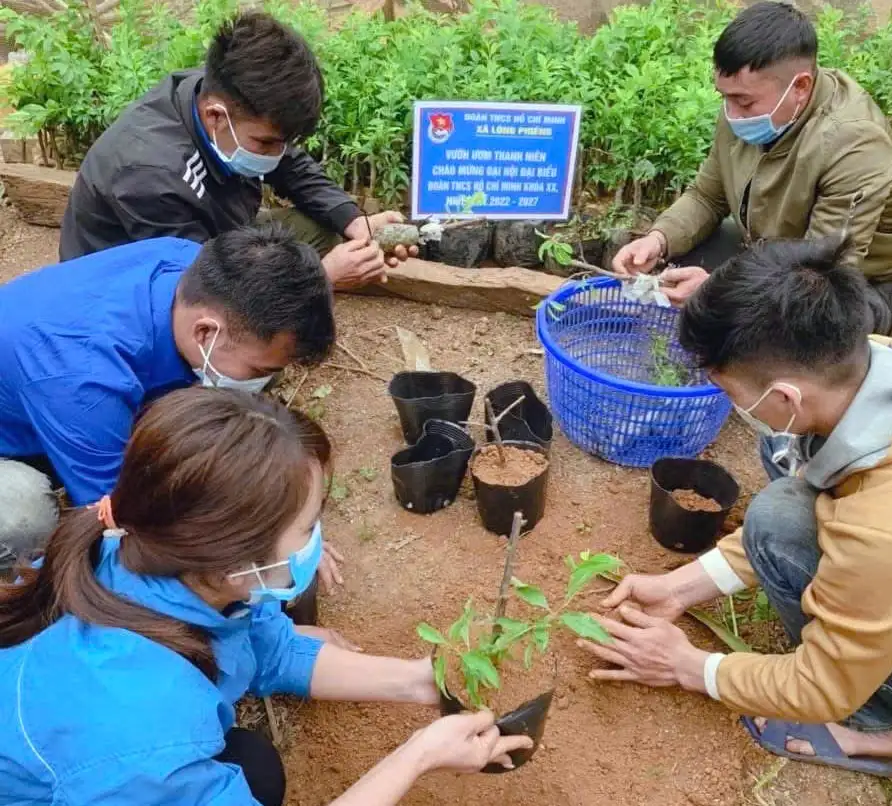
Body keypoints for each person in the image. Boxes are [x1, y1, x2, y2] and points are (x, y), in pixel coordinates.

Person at [0, 388, 532, 805]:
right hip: (108, 762)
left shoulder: (146, 552)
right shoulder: (143, 731)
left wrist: (426, 680)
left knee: (253, 764)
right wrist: (418, 756)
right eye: (309, 526)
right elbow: (140, 739)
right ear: (234, 562)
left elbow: (269, 648)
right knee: (255, 772)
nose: (319, 539)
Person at [578, 237, 892, 776]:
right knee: (782, 498)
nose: (731, 404)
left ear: (785, 396)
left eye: (728, 391)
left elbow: (818, 684)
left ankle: (877, 726)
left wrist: (688, 665)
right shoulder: (888, 363)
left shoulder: (889, 532)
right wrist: (679, 588)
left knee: (786, 507)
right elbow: (809, 493)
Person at [0, 225, 342, 600]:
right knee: (23, 517)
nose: (259, 383)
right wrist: (269, 543)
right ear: (205, 333)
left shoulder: (196, 267)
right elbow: (128, 518)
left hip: (52, 391)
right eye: (259, 371)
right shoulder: (85, 384)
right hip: (21, 433)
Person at [612, 2, 892, 336]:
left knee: (766, 330)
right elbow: (706, 197)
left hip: (852, 288)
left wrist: (719, 289)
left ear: (800, 87)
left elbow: (820, 272)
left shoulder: (855, 142)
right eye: (725, 97)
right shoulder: (747, 111)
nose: (732, 113)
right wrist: (658, 239)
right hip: (767, 249)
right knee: (676, 271)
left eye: (744, 101)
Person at [58, 11, 416, 289]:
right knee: (251, 346)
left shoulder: (225, 94)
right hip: (125, 290)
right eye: (266, 143)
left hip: (214, 236)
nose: (278, 153)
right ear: (215, 116)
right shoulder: (148, 174)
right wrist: (323, 277)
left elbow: (289, 162)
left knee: (325, 230)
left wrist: (355, 221)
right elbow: (202, 291)